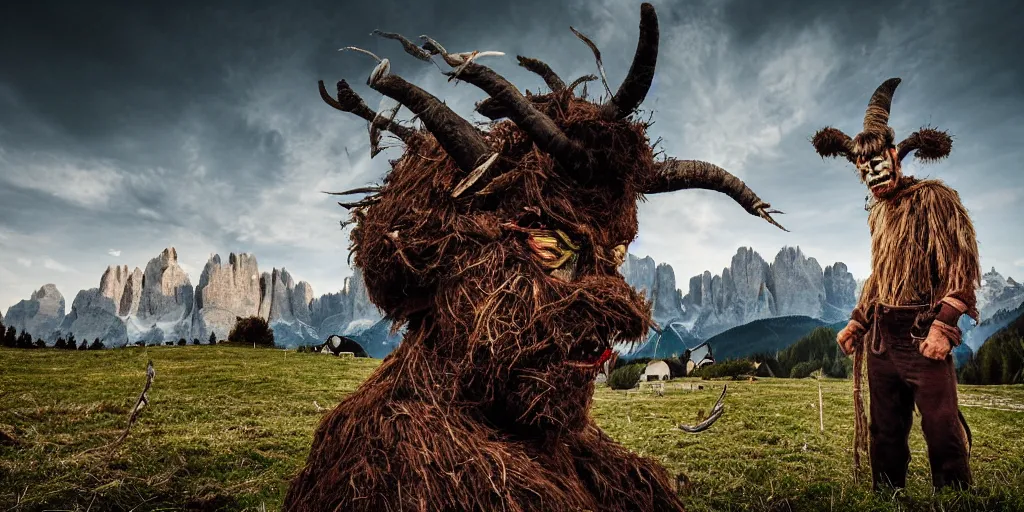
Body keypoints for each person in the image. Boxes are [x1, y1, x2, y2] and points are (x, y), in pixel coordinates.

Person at [810, 77, 980, 491]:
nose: (872, 173)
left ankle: (955, 494)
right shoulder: (879, 214)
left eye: (879, 162)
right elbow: (881, 276)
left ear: (896, 155)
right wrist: (858, 321)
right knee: (884, 427)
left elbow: (961, 265)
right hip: (883, 337)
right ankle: (887, 493)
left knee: (941, 424)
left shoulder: (935, 199)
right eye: (863, 168)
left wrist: (944, 325)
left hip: (923, 332)